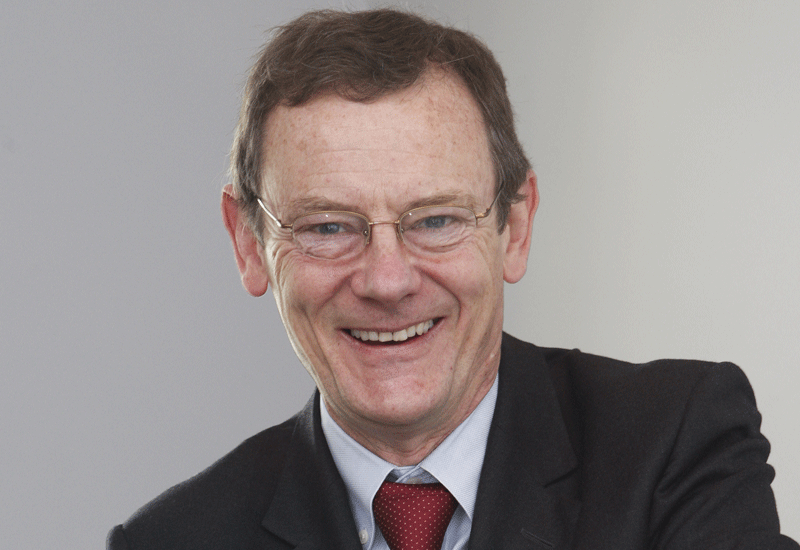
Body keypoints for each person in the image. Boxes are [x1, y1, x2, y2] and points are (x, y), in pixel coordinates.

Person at [107, 8, 797, 549]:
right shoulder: (172, 541)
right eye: (328, 227)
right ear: (249, 244)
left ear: (514, 227)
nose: (386, 281)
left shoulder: (675, 448)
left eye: (435, 219)